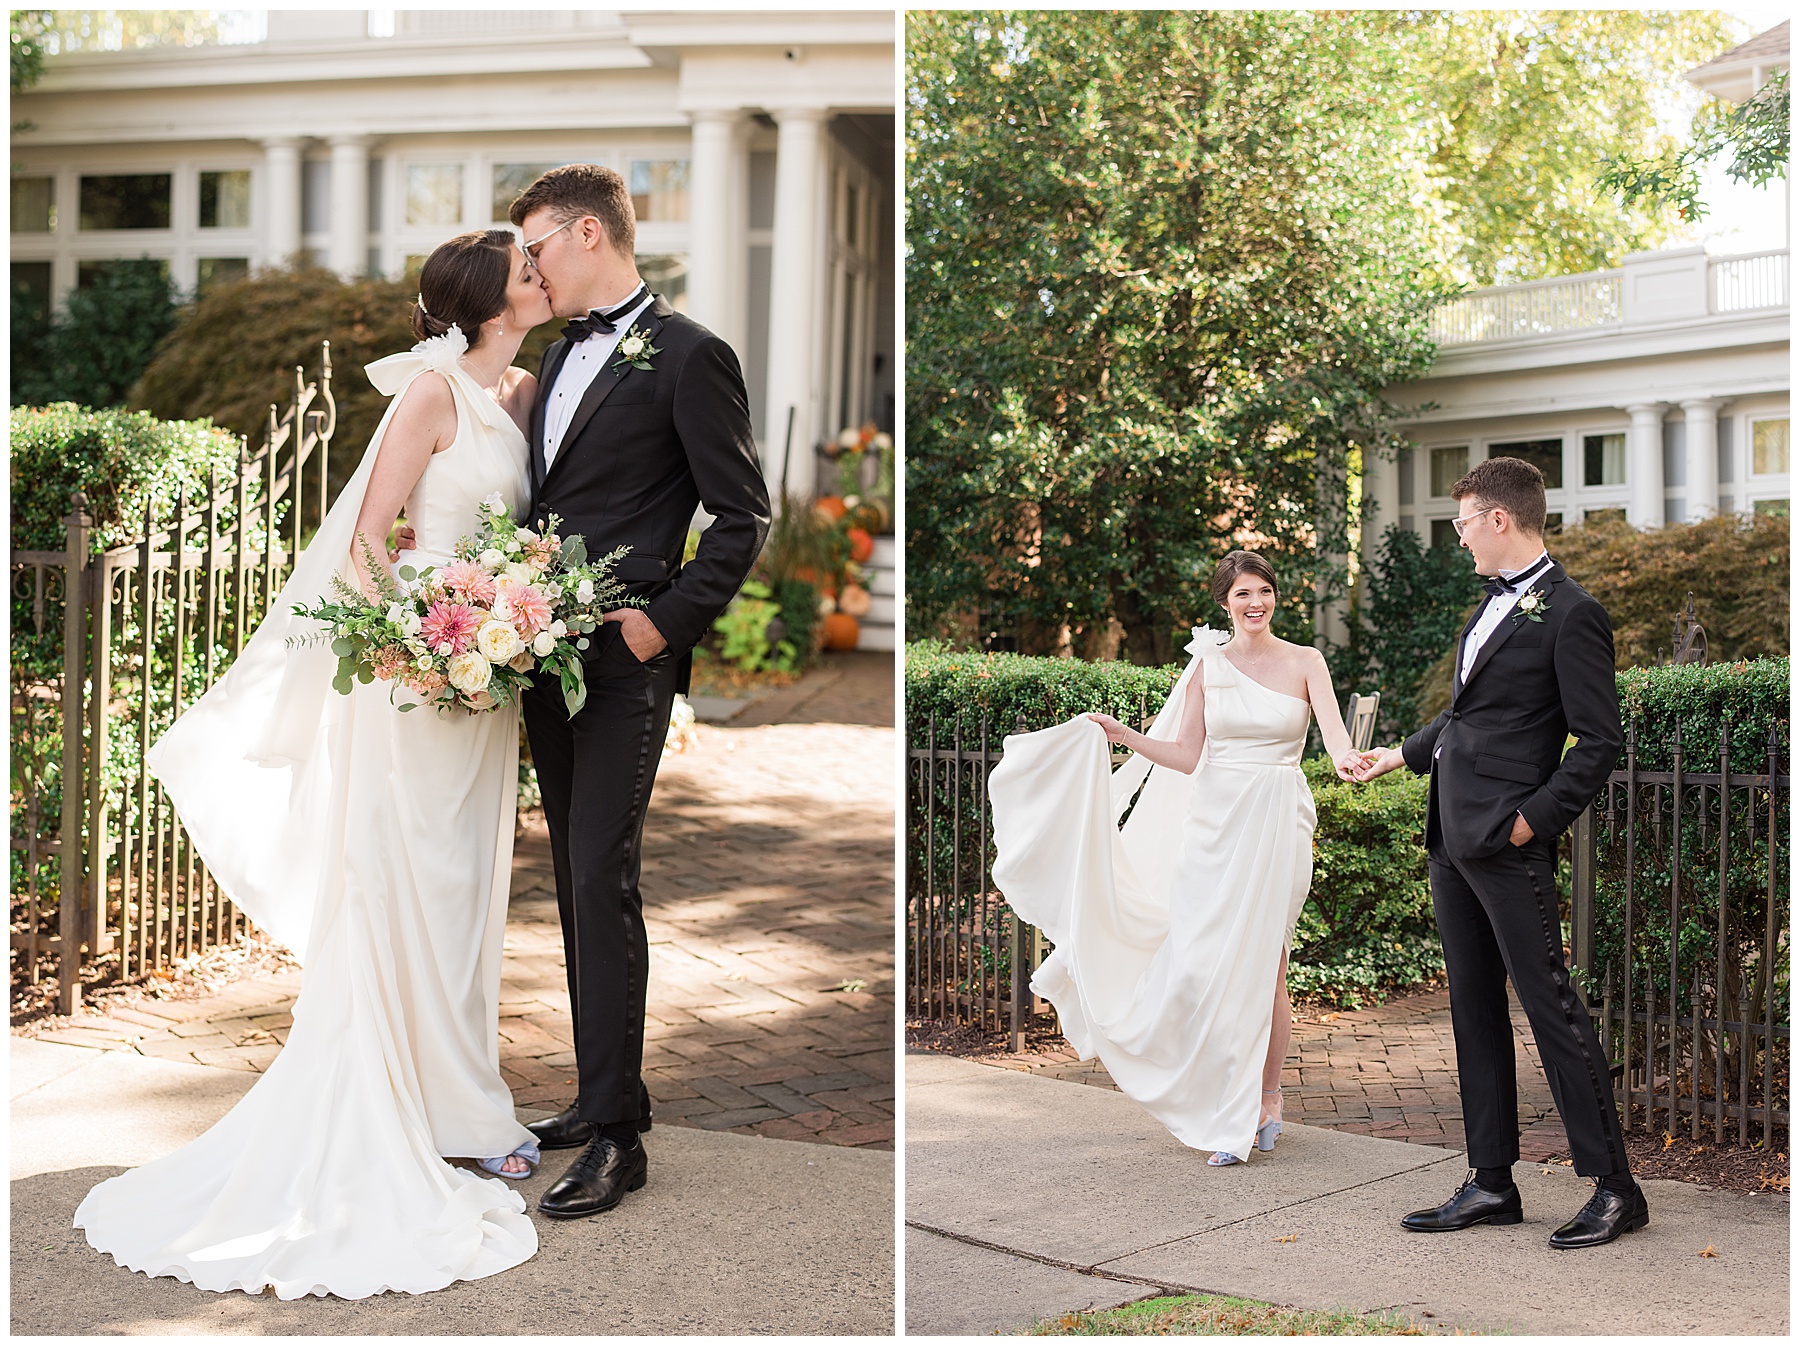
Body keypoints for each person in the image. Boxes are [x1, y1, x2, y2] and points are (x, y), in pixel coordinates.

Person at [74, 229, 555, 1298]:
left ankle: (460, 1099)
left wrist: (510, 615)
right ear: (483, 295)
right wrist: (428, 640)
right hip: (419, 673)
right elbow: (368, 538)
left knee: (468, 887)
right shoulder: (429, 392)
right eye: (526, 269)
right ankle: (418, 1108)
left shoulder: (520, 388)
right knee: (407, 883)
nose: (541, 277)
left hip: (491, 673)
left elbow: (517, 528)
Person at [504, 164, 770, 1219]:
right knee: (572, 881)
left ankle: (620, 1138)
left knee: (602, 874)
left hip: (626, 665)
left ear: (585, 232)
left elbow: (742, 516)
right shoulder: (553, 352)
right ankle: (598, 1090)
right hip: (539, 661)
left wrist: (665, 620)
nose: (527, 265)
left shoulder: (692, 355)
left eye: (536, 246)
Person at [989, 551, 1365, 1164]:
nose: (1255, 603)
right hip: (1216, 827)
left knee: (1267, 966)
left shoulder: (1305, 661)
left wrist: (1352, 761)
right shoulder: (1207, 670)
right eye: (1242, 593)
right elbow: (1189, 755)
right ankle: (1210, 1094)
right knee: (1198, 964)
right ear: (1225, 603)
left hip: (1278, 818)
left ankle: (1262, 1103)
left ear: (1276, 598)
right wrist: (1123, 736)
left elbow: (1335, 739)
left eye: (1263, 591)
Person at [1355, 455, 1645, 1249]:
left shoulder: (1571, 612)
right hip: (1451, 837)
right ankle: (1491, 1182)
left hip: (1507, 842)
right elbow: (1467, 718)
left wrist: (1530, 824)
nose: (1458, 538)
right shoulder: (1488, 606)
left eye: (1462, 523)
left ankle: (1616, 1188)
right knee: (1472, 1007)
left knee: (1549, 1006)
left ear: (1500, 520)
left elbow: (1598, 743)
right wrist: (1397, 755)